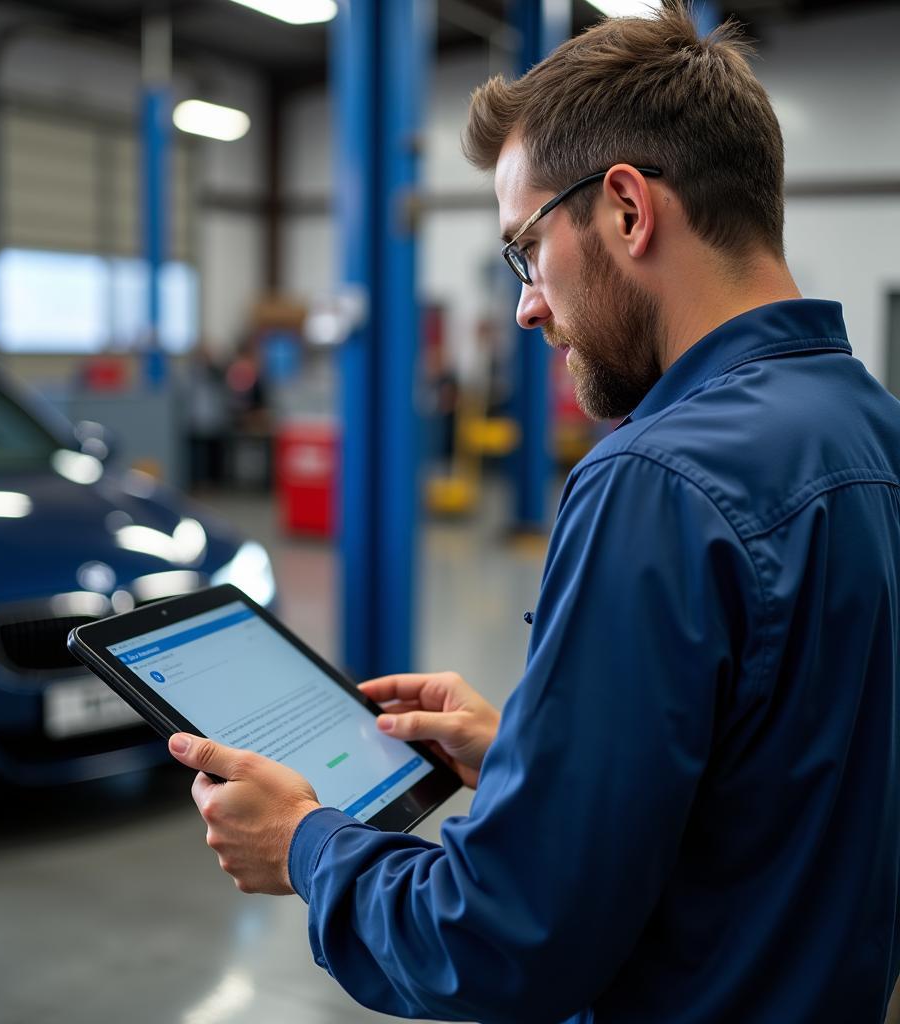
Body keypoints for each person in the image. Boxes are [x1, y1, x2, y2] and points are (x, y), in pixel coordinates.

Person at [167, 5, 900, 1020]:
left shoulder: (654, 480)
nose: (526, 305)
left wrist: (307, 843)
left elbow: (502, 939)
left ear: (627, 210)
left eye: (526, 249)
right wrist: (531, 755)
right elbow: (776, 776)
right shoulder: (871, 427)